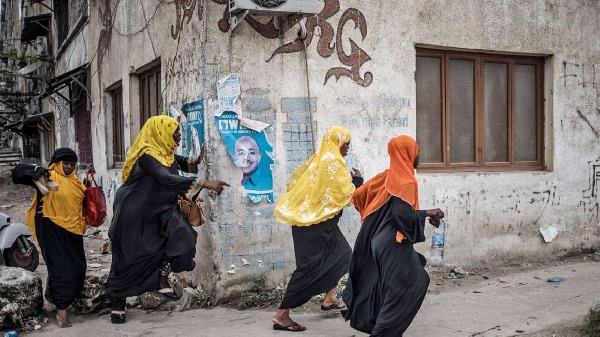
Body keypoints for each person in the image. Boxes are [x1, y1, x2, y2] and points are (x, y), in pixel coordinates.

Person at [105, 115, 229, 324]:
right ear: (161, 134)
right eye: (176, 134)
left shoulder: (164, 152)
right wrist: (205, 183)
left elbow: (175, 162)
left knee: (182, 236)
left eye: (178, 133)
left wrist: (193, 162)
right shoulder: (146, 157)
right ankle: (119, 301)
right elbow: (165, 177)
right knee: (128, 257)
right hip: (134, 213)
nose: (179, 137)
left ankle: (162, 277)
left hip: (160, 209)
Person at [342, 135, 445, 336]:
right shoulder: (406, 181)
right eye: (417, 150)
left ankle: (383, 328)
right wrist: (427, 213)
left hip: (379, 241)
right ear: (407, 154)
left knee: (392, 285)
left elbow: (360, 196)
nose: (419, 154)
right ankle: (383, 332)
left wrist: (358, 181)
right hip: (392, 243)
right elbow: (401, 215)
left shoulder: (387, 176)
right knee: (411, 285)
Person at [271, 126, 363, 332]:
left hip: (319, 223)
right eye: (346, 142)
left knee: (343, 255)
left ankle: (330, 298)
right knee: (307, 269)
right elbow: (345, 195)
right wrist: (357, 182)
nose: (348, 147)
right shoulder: (331, 163)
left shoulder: (320, 159)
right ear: (337, 143)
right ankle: (281, 315)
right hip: (313, 227)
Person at [11, 148, 90, 328]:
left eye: (72, 163)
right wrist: (36, 171)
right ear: (57, 163)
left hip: (73, 228)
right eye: (65, 163)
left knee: (78, 267)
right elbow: (17, 174)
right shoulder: (47, 176)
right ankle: (61, 310)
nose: (69, 167)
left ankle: (53, 298)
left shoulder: (76, 182)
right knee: (60, 267)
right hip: (50, 226)